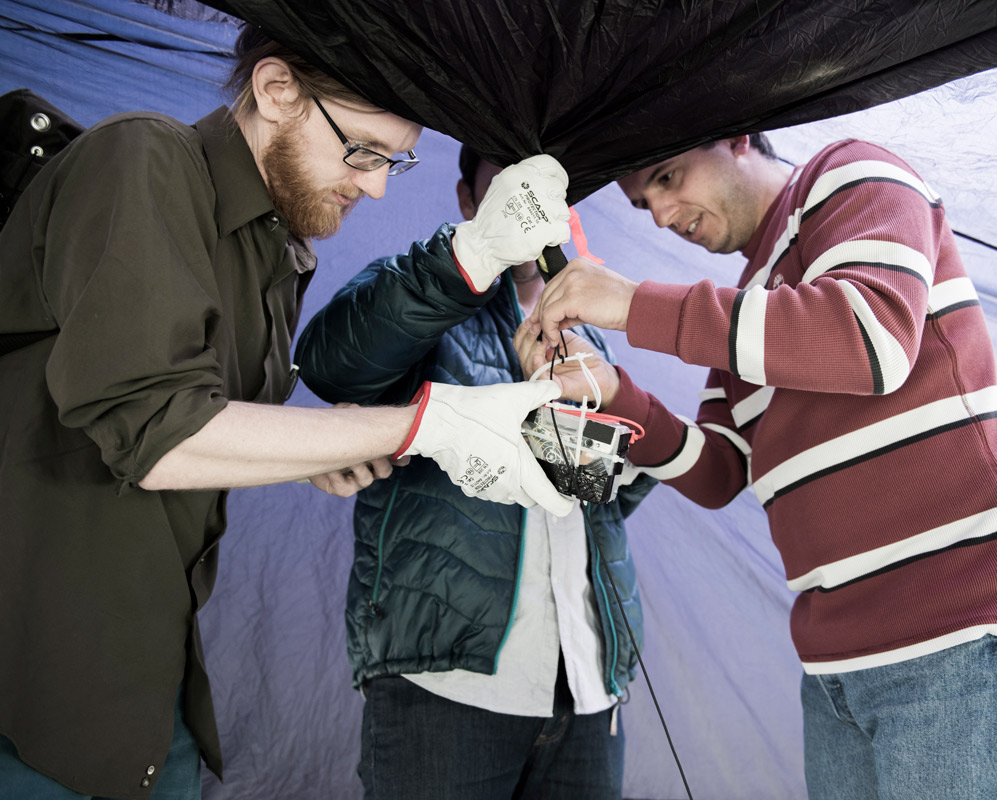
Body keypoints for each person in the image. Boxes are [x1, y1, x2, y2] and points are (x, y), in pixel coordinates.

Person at [0, 25, 575, 800]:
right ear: (277, 91)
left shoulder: (278, 254)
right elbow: (158, 431)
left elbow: (199, 425)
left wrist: (315, 455)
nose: (376, 185)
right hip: (31, 687)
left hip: (141, 686)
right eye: (364, 149)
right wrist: (428, 423)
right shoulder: (141, 157)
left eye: (393, 160)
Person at [520, 133, 997, 799]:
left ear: (737, 138)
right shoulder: (746, 310)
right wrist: (614, 390)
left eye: (667, 175)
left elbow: (871, 338)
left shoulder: (851, 172)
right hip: (834, 670)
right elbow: (720, 472)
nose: (660, 214)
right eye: (641, 204)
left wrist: (633, 303)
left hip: (959, 639)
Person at [294, 145, 657, 800]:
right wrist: (472, 254)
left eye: (543, 194)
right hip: (445, 688)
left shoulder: (593, 335)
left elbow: (607, 499)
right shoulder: (414, 298)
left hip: (586, 686)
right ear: (469, 203)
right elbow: (329, 361)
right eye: (505, 194)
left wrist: (595, 411)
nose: (531, 211)